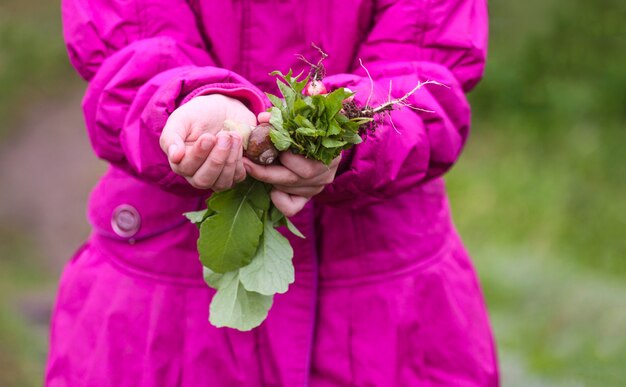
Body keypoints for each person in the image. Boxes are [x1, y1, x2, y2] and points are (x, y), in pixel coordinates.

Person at [47, 0, 498, 385]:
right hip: (167, 302)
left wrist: (349, 133)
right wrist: (191, 101)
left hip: (384, 301)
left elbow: (428, 74)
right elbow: (127, 53)